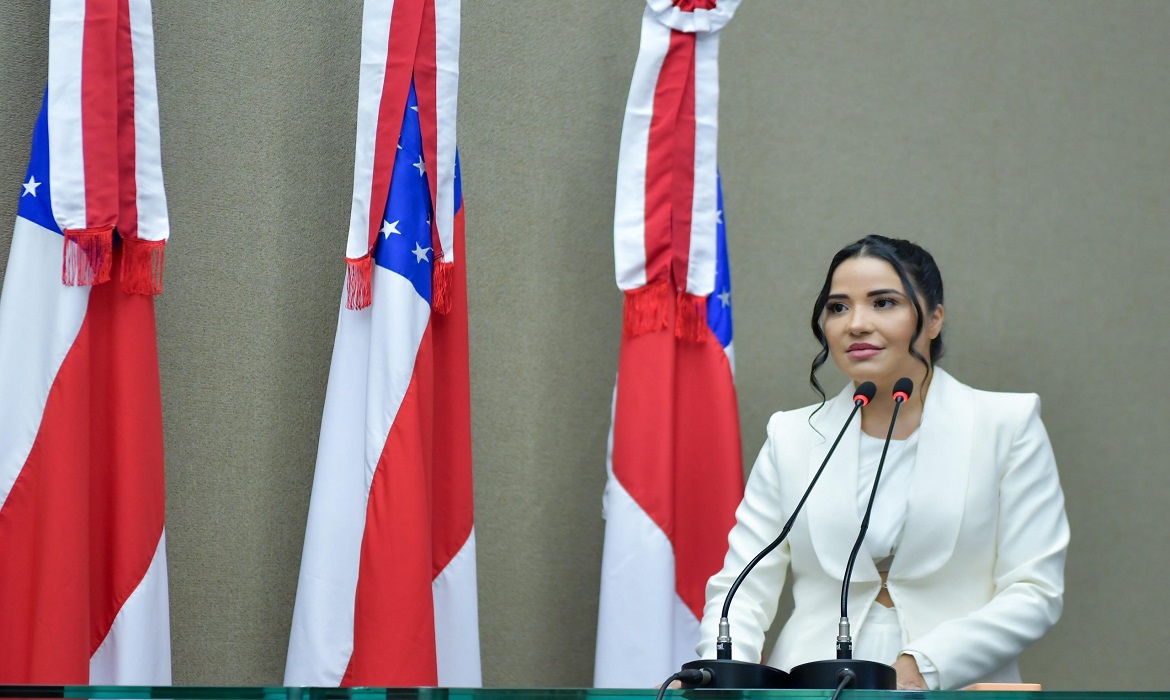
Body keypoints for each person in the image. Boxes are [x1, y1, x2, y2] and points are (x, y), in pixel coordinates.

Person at [696, 235, 1069, 690]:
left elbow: (1035, 590)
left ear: (934, 319)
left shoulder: (1006, 425)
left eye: (883, 303)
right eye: (837, 307)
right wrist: (723, 672)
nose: (856, 324)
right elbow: (742, 584)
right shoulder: (791, 435)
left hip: (955, 684)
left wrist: (920, 668)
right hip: (812, 688)